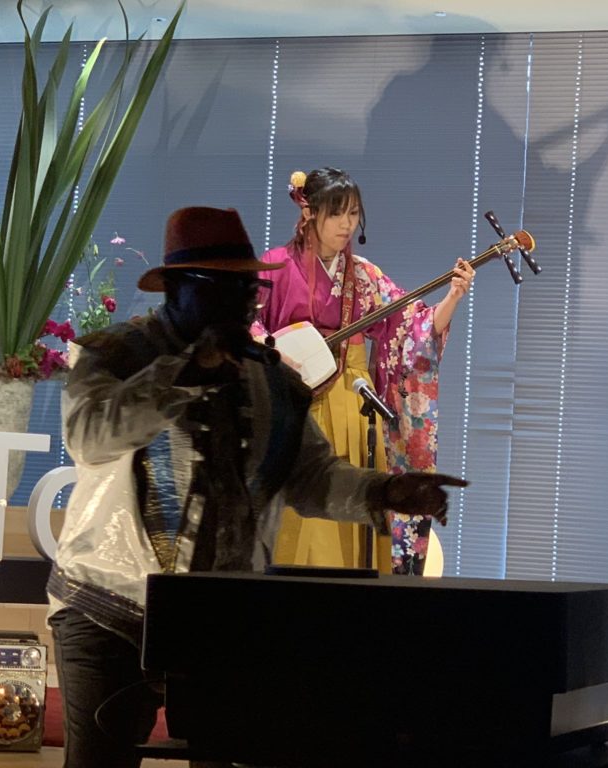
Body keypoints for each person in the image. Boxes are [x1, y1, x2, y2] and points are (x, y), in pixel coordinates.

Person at [47, 205, 467, 768]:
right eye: (227, 285)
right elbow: (88, 437)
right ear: (178, 288)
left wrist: (384, 492)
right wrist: (184, 372)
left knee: (223, 755)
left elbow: (309, 474)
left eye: (250, 285)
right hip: (107, 608)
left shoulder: (271, 377)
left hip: (220, 615)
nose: (248, 299)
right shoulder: (115, 355)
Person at [253, 167, 475, 575]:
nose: (347, 224)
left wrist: (453, 297)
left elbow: (412, 326)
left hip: (352, 406)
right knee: (299, 509)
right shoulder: (273, 265)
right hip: (292, 404)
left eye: (353, 214)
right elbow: (247, 323)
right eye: (336, 213)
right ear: (308, 212)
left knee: (353, 511)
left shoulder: (363, 275)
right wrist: (272, 352)